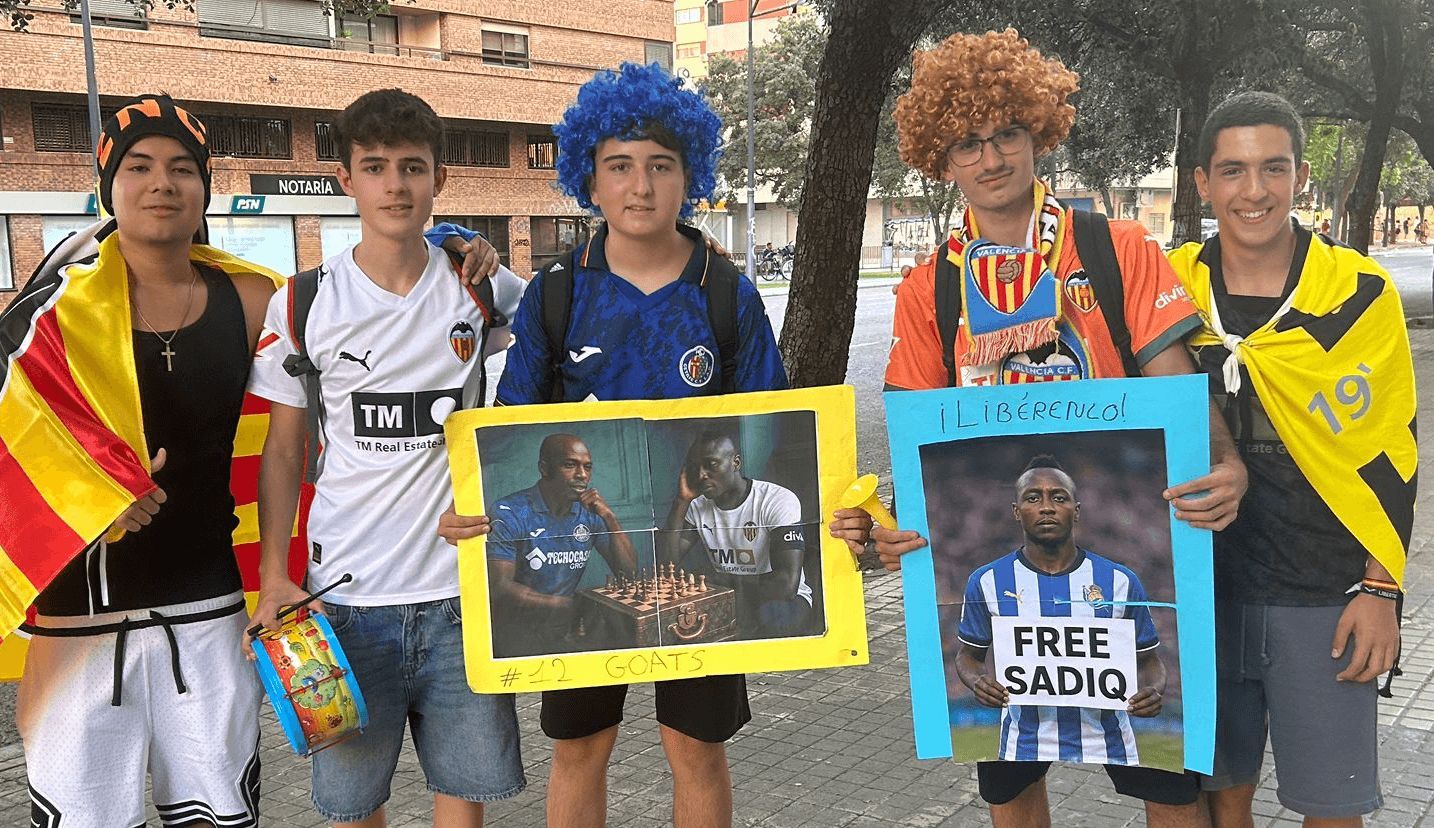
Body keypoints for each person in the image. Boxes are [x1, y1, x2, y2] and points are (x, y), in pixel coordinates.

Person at [836, 29, 1248, 828]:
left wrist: (1224, 462)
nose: (991, 159)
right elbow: (918, 444)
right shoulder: (930, 290)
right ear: (941, 159)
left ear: (1038, 132)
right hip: (1005, 580)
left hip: (1126, 558)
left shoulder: (1117, 247)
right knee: (1012, 790)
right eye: (967, 143)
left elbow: (1179, 393)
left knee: (1167, 780)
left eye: (1006, 134)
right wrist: (882, 525)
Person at [438, 61, 787, 828]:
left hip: (698, 567)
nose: (640, 186)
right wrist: (474, 509)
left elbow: (784, 429)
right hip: (580, 585)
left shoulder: (728, 297)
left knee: (695, 751)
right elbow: (507, 426)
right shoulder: (558, 294)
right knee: (581, 748)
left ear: (689, 176)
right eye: (619, 166)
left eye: (661, 166)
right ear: (588, 179)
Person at [247, 88, 527, 828]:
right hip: (340, 601)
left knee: (464, 799)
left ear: (440, 180)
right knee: (352, 805)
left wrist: (700, 245)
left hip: (462, 596)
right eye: (375, 167)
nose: (395, 185)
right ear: (347, 182)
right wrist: (275, 575)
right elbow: (282, 451)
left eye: (412, 167)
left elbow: (579, 324)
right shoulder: (304, 301)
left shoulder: (483, 287)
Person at [7, 94, 283, 828]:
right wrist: (89, 494)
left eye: (182, 169)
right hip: (79, 624)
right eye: (138, 166)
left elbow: (360, 314)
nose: (162, 183)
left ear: (204, 190)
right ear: (108, 186)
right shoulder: (49, 314)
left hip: (208, 609)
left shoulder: (252, 298)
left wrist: (451, 247)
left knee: (220, 814)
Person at [1170, 91, 1416, 828]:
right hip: (1202, 588)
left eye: (1273, 169)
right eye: (1234, 171)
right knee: (1222, 799)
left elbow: (1392, 452)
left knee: (1332, 806)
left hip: (1323, 590)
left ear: (1301, 177)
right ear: (1202, 183)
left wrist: (1381, 590)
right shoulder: (1164, 289)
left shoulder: (1359, 294)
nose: (1255, 191)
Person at [956, 456, 1169, 765]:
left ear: (1076, 511)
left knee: (1170, 799)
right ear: (1017, 512)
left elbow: (1150, 660)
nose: (1046, 507)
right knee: (1005, 803)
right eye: (1033, 498)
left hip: (1111, 742)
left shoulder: (1120, 581)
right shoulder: (986, 581)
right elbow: (968, 655)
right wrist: (978, 682)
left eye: (1058, 497)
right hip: (1022, 742)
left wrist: (1153, 690)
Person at [487, 433, 637, 656]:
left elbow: (629, 573)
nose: (582, 475)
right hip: (515, 626)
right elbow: (500, 586)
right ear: (545, 468)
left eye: (587, 467)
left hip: (563, 626)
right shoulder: (509, 512)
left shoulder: (591, 513)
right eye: (570, 465)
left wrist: (610, 518)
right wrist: (568, 604)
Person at [658, 430, 813, 640]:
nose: (701, 475)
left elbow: (785, 586)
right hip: (730, 599)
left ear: (735, 463)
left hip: (782, 601)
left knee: (770, 626)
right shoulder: (696, 506)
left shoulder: (777, 500)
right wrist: (681, 501)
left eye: (711, 465)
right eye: (695, 468)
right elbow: (667, 563)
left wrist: (723, 582)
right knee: (678, 631)